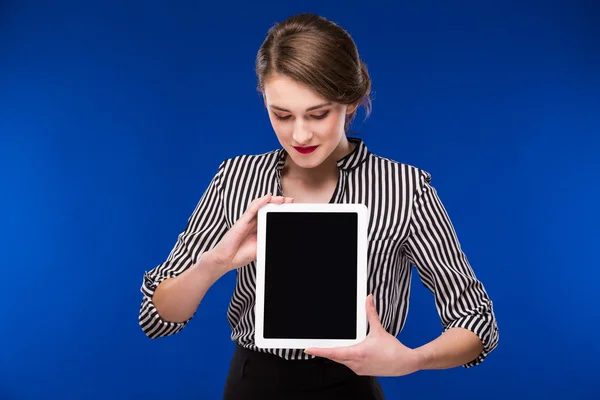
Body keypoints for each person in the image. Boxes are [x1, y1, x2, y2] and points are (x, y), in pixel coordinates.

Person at [138, 12, 499, 400]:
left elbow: (476, 321)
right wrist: (216, 264)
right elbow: (158, 317)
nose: (299, 134)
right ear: (264, 100)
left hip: (350, 387)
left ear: (352, 100)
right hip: (252, 384)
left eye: (318, 114)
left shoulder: (405, 188)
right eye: (282, 115)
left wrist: (411, 359)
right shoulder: (236, 177)